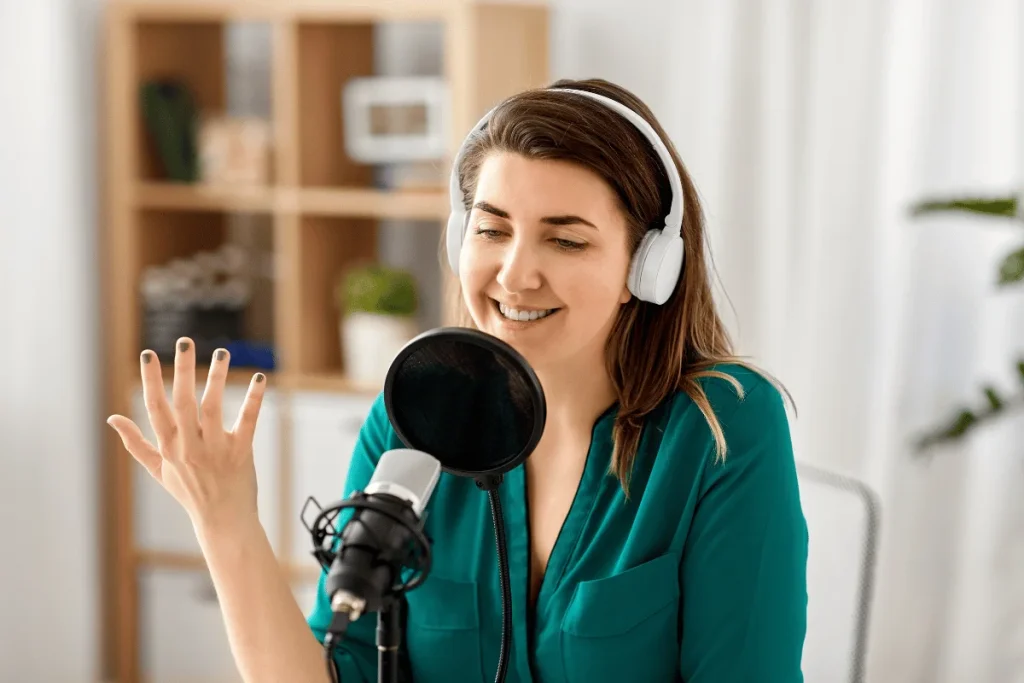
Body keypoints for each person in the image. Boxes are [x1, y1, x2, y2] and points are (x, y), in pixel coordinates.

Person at [107, 77, 808, 683]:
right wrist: (226, 521)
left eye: (566, 239)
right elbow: (339, 668)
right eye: (492, 230)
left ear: (646, 267)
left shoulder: (724, 428)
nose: (515, 274)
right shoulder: (414, 413)